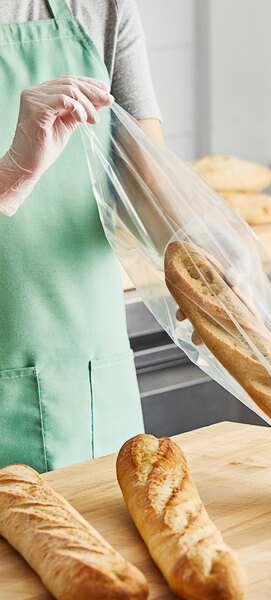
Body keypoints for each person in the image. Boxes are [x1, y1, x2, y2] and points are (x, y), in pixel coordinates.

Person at [0, 0, 163, 472]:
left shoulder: (102, 8)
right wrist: (12, 172)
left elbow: (147, 188)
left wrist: (198, 239)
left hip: (85, 388)